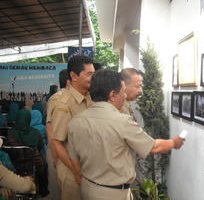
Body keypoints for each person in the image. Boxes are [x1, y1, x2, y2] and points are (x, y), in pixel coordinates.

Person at [67, 69, 185, 200]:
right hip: (113, 193)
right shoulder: (122, 121)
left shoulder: (75, 121)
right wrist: (174, 142)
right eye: (123, 92)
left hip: (87, 188)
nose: (125, 96)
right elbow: (153, 147)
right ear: (112, 95)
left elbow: (73, 159)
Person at [51, 56, 95, 200]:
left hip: (89, 170)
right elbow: (57, 143)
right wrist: (76, 173)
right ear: (74, 76)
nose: (93, 77)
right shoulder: (64, 104)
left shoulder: (90, 98)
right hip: (72, 172)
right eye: (89, 74)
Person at [7, 109, 49, 197]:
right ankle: (43, 189)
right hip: (33, 164)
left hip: (14, 165)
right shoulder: (36, 132)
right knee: (43, 160)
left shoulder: (10, 133)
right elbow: (41, 146)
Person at [46, 68, 70, 200]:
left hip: (68, 155)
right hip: (58, 152)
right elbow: (49, 128)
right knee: (58, 192)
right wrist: (56, 157)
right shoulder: (56, 99)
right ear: (68, 81)